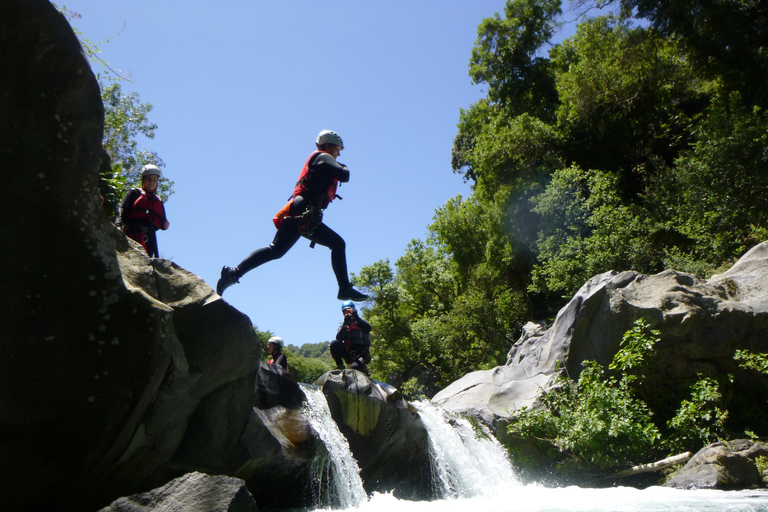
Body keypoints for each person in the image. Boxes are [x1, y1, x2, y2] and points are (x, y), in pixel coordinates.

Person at [216, 130, 368, 301]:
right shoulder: (322, 156)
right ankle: (345, 289)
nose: (338, 153)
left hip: (305, 211)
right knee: (337, 244)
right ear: (329, 145)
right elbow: (344, 175)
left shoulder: (322, 158)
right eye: (338, 149)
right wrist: (345, 166)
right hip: (303, 209)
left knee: (277, 250)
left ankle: (232, 274)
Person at [116, 164, 170, 258]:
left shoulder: (158, 200)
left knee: (147, 260)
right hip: (132, 232)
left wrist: (165, 225)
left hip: (150, 237)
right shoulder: (134, 193)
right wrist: (118, 225)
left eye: (154, 180)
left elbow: (162, 222)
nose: (151, 182)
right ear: (143, 179)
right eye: (149, 179)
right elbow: (121, 209)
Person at [330, 300, 371, 375]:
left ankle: (365, 369)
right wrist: (345, 325)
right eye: (345, 311)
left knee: (355, 367)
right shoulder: (343, 326)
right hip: (349, 353)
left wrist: (357, 317)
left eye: (349, 311)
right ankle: (340, 366)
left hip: (362, 354)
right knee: (334, 344)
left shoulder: (361, 322)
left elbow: (368, 328)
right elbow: (338, 339)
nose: (347, 313)